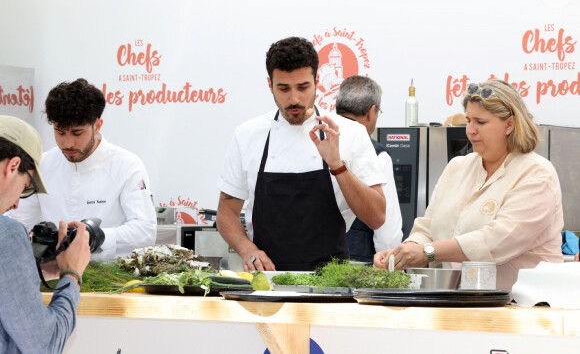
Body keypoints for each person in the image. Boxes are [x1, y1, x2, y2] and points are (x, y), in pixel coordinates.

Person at [374, 79, 564, 291]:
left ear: (509, 124)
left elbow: (496, 241)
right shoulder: (457, 167)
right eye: (468, 120)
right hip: (461, 304)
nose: (470, 130)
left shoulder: (536, 173)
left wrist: (427, 251)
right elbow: (428, 228)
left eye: (480, 122)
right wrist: (404, 252)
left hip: (524, 307)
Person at [217, 36, 387, 272]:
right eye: (283, 88)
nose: (294, 99)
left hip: (331, 285)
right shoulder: (247, 135)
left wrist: (337, 165)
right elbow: (226, 212)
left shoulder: (351, 133)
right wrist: (248, 250)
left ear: (317, 81)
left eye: (303, 87)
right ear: (270, 85)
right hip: (266, 282)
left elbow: (377, 217)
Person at [9, 79, 157, 260]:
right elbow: (19, 221)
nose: (68, 143)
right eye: (60, 132)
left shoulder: (127, 166)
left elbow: (145, 231)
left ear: (98, 125)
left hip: (110, 280)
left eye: (77, 133)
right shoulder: (42, 164)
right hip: (53, 277)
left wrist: (94, 236)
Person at [0, 115, 91, 353]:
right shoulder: (7, 234)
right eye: (26, 186)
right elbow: (44, 344)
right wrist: (72, 275)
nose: (17, 205)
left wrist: (32, 271)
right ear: (12, 166)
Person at [335, 75, 403, 262]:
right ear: (371, 112)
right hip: (360, 264)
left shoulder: (319, 141)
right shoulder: (376, 154)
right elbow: (388, 233)